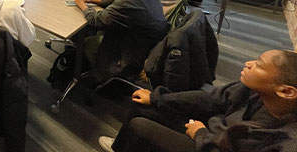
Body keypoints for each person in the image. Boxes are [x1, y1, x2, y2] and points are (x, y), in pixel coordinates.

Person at [98, 49, 297, 152]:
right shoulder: (254, 90)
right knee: (143, 106)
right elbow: (210, 98)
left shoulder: (285, 139)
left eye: (259, 65)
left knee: (140, 126)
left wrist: (201, 135)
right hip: (209, 134)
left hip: (209, 144)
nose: (249, 63)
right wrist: (157, 97)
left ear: (286, 91)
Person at [74, 0, 168, 80]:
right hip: (145, 43)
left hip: (129, 55)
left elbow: (96, 21)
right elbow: (120, 0)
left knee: (87, 41)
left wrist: (82, 4)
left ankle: (101, 76)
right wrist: (94, 0)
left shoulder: (129, 3)